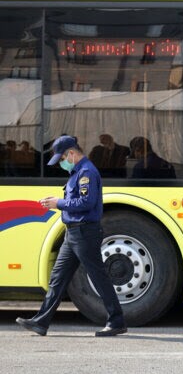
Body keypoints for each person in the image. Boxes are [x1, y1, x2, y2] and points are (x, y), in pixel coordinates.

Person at [16, 135, 127, 337]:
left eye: (61, 159)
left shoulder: (86, 173)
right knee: (58, 278)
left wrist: (58, 203)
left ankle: (116, 320)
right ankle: (41, 321)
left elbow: (87, 203)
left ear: (72, 154)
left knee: (98, 277)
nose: (61, 163)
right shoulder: (77, 172)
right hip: (73, 232)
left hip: (84, 232)